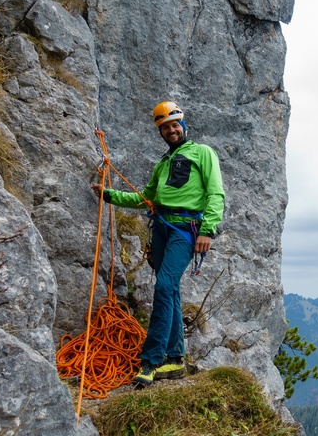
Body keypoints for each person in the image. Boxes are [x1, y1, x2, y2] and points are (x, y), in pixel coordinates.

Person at [91, 101, 225, 387]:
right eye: (165, 127)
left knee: (164, 286)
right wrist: (109, 195)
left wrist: (208, 230)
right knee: (171, 290)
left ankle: (151, 361)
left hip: (185, 230)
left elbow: (216, 193)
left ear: (183, 125)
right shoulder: (163, 164)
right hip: (163, 229)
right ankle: (175, 359)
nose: (171, 130)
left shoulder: (202, 153)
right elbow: (145, 199)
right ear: (160, 132)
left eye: (175, 125)